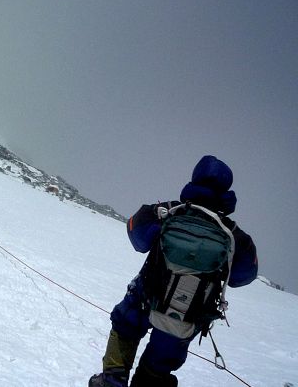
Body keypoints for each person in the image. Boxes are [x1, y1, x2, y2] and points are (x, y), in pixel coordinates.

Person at [89, 155, 258, 387]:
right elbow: (243, 276)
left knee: (125, 327)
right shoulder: (235, 236)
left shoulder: (167, 212)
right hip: (188, 314)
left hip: (144, 297)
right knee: (160, 363)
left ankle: (112, 380)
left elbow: (137, 238)